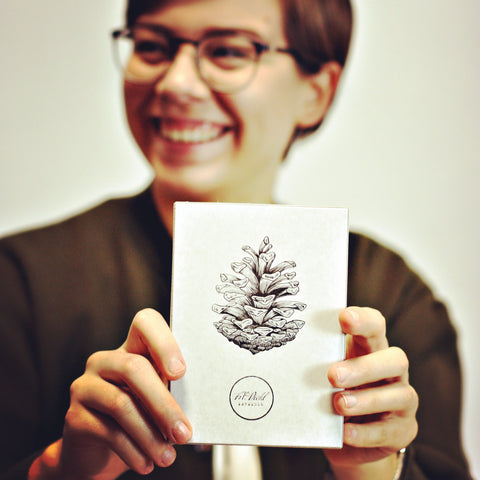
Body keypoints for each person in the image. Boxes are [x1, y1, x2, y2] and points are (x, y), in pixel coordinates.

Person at [0, 0, 472, 479]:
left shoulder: (392, 295)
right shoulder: (20, 283)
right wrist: (61, 470)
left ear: (317, 91)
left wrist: (377, 469)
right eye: (152, 46)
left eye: (228, 50)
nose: (176, 82)